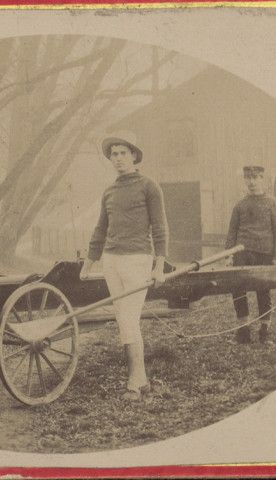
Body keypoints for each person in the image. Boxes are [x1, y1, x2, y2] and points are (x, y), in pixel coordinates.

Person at [79, 136, 168, 402]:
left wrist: (159, 266)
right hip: (111, 261)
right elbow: (100, 230)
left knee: (129, 319)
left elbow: (160, 227)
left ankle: (134, 382)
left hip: (137, 259)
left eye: (122, 153)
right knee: (124, 320)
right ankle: (141, 381)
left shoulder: (149, 186)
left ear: (134, 156)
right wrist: (88, 264)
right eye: (114, 154)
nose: (117, 158)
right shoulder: (110, 191)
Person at [225, 165, 276, 344]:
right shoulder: (239, 205)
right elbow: (232, 233)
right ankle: (243, 331)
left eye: (255, 177)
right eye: (248, 178)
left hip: (264, 254)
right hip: (242, 254)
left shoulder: (273, 203)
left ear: (262, 179)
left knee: (263, 291)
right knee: (238, 290)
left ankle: (264, 332)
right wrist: (229, 256)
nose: (251, 182)